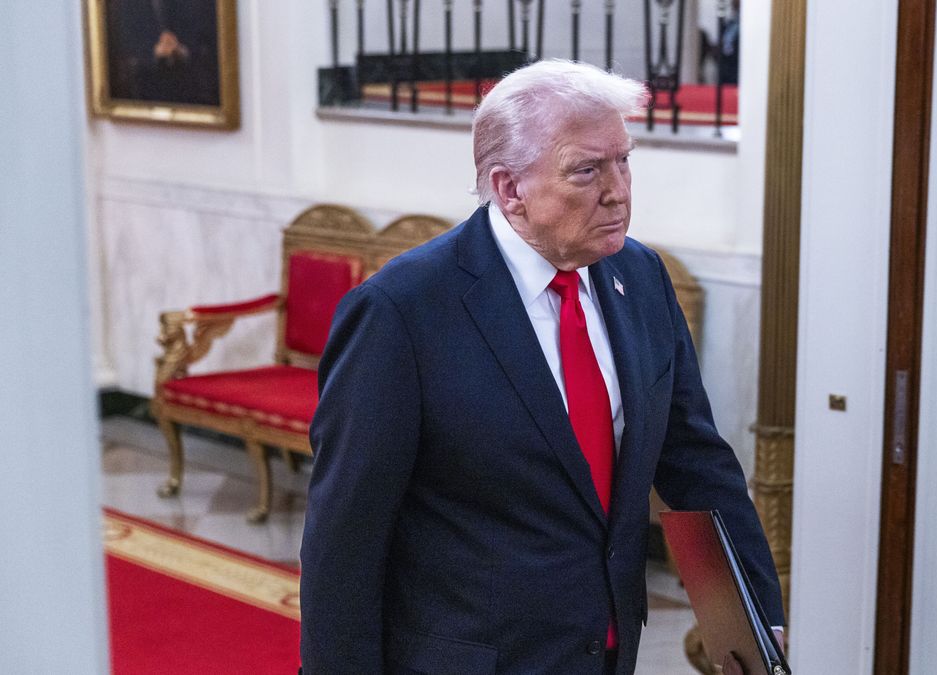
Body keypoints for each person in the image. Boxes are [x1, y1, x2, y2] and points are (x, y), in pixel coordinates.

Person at [299, 59, 784, 675]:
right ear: (509, 189)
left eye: (624, 161)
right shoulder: (404, 310)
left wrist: (755, 622)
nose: (619, 190)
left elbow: (696, 462)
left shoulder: (641, 276)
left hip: (605, 651)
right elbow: (345, 540)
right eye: (587, 170)